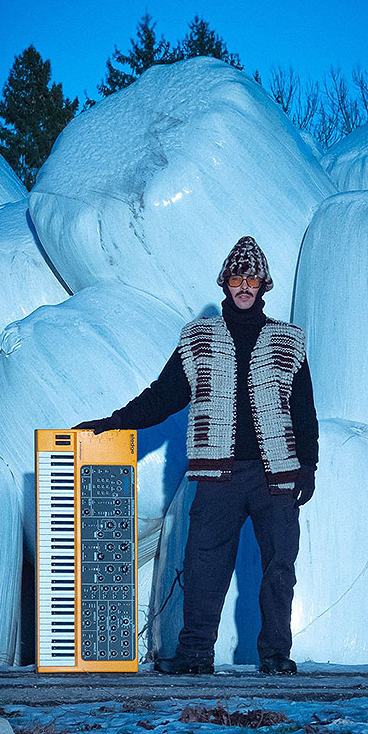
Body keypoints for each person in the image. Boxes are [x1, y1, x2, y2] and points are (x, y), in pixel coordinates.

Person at [74, 236, 318, 675]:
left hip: (276, 477)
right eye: (237, 278)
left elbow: (304, 410)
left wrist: (309, 465)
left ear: (265, 285)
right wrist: (111, 423)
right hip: (216, 475)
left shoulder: (289, 340)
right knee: (204, 566)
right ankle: (195, 655)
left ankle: (276, 656)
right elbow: (162, 397)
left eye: (253, 278)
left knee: (279, 568)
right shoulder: (198, 339)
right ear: (225, 283)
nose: (245, 286)